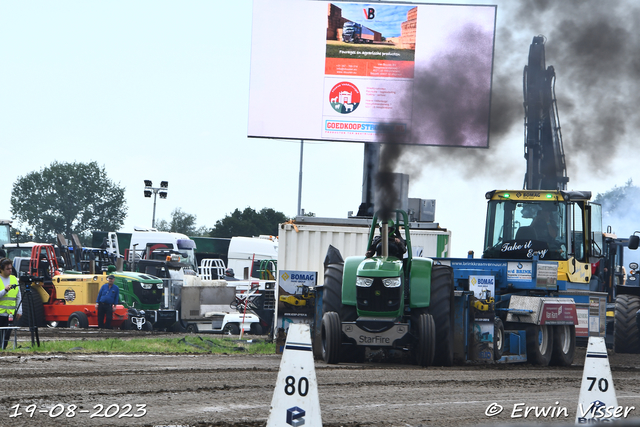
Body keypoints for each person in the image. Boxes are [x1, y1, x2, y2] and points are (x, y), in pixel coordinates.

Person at [0, 258, 21, 349]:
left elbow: (18, 296)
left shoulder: (14, 279)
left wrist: (19, 310)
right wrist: (4, 290)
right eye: (7, 269)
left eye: (11, 268)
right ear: (1, 269)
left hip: (11, 314)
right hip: (0, 313)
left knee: (7, 335)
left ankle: (3, 349)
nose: (10, 270)